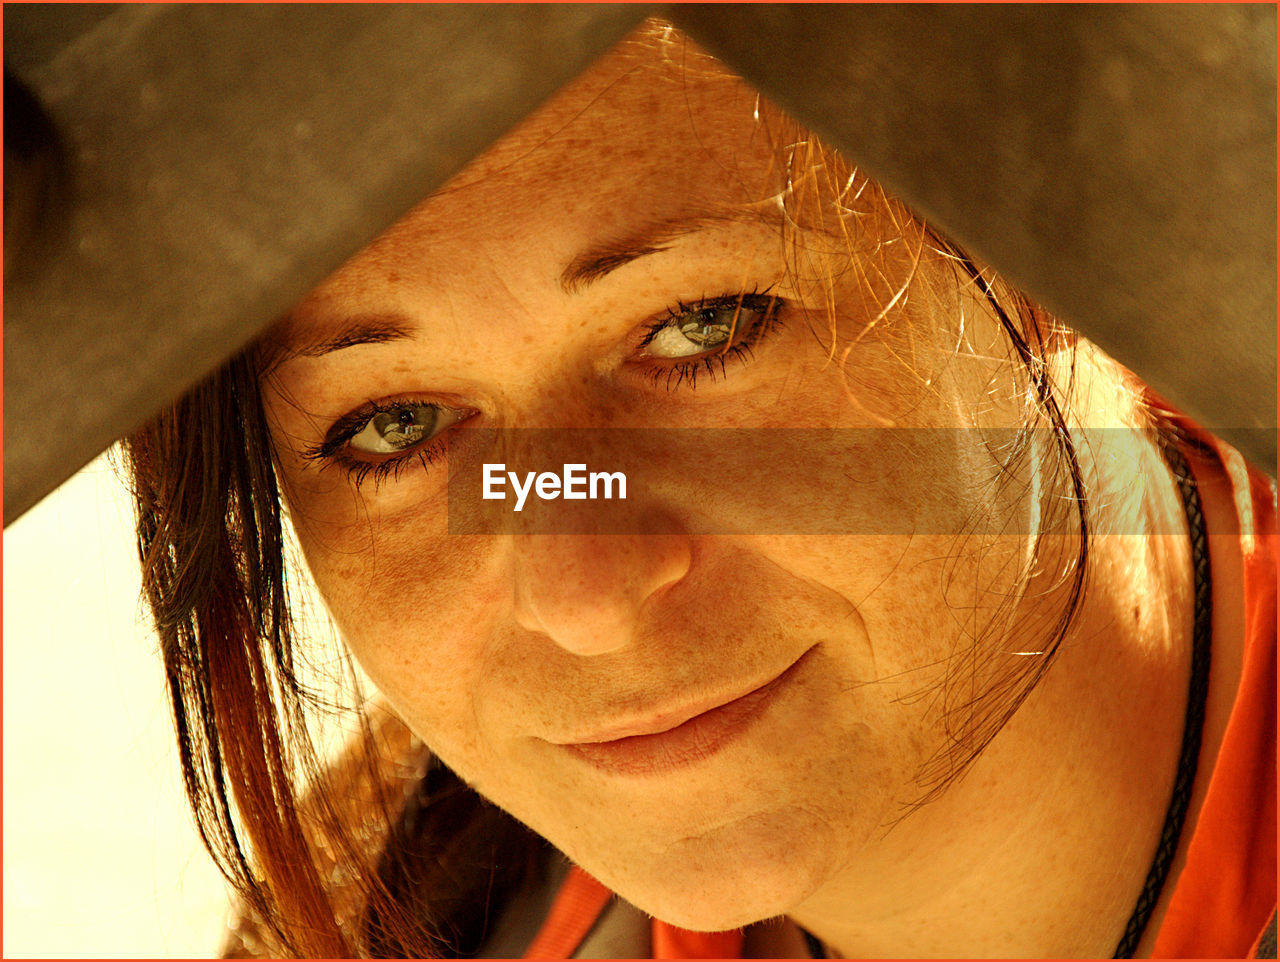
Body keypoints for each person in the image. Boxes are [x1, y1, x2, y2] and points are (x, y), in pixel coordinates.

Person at [123, 20, 1275, 959]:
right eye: (397, 424)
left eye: (700, 324)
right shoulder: (412, 886)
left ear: (1049, 240)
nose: (587, 590)